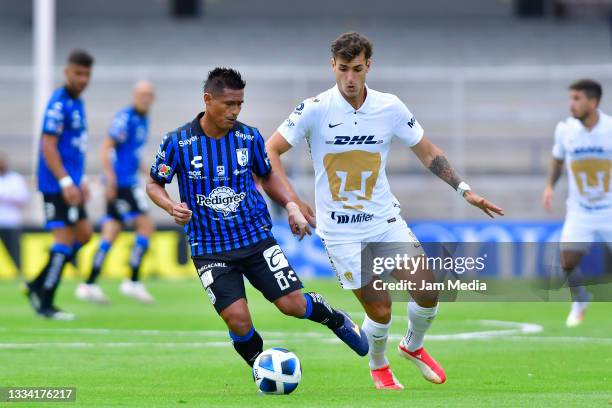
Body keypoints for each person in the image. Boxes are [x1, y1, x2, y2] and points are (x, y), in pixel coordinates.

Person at [266, 32, 504, 390]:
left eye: (357, 69)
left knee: (427, 289)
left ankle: (413, 346)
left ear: (369, 67)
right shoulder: (314, 108)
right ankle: (379, 365)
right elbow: (269, 151)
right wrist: (292, 201)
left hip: (384, 221)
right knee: (380, 310)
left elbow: (426, 151)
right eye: (343, 69)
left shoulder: (390, 106)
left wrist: (464, 189)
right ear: (332, 66)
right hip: (341, 232)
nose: (349, 78)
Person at [146, 67, 369, 367]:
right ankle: (262, 368)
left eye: (240, 104)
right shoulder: (178, 142)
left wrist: (290, 205)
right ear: (207, 100)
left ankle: (335, 319)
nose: (235, 111)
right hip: (208, 248)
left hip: (255, 238)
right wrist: (169, 205)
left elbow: (267, 177)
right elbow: (153, 183)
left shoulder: (248, 137)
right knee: (238, 320)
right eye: (229, 104)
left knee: (292, 305)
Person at [25, 49, 95, 320]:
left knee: (85, 234)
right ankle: (45, 303)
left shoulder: (78, 103)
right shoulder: (59, 103)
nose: (83, 79)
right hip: (56, 185)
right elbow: (48, 145)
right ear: (67, 72)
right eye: (78, 73)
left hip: (72, 184)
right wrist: (65, 181)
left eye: (87, 74)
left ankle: (35, 284)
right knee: (64, 240)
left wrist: (82, 178)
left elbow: (74, 149)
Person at [76, 81, 156, 304]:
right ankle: (132, 280)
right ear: (134, 95)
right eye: (142, 94)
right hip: (122, 184)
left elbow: (134, 155)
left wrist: (152, 175)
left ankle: (89, 284)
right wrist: (110, 180)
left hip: (126, 181)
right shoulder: (126, 118)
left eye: (149, 94)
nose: (146, 98)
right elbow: (106, 147)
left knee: (111, 232)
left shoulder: (143, 119)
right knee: (146, 226)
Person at [543, 79, 611, 327]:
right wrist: (550, 186)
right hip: (580, 210)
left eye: (577, 98)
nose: (571, 104)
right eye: (571, 98)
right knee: (567, 261)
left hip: (610, 209)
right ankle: (581, 299)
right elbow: (557, 159)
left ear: (593, 102)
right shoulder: (565, 130)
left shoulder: (610, 129)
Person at [0, 151, 29, 274]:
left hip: (11, 222)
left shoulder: (16, 179)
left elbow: (23, 199)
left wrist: (5, 198)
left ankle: (19, 273)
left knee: (15, 251)